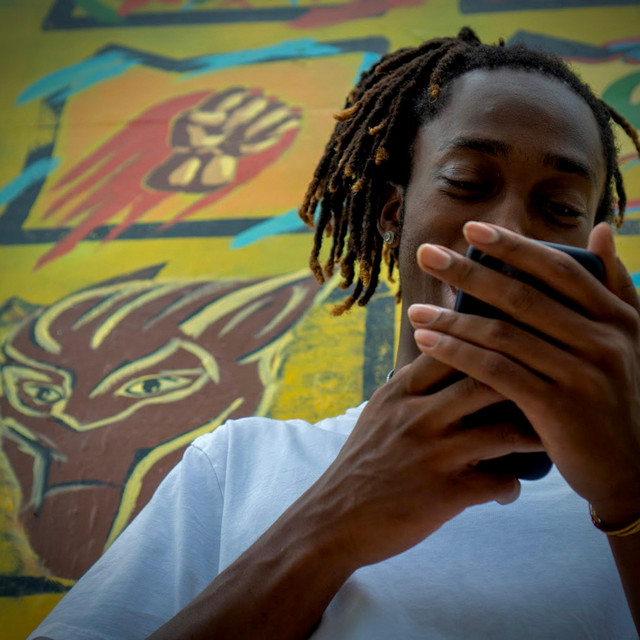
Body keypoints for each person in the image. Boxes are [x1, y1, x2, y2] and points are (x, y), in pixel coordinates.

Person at [30, 28, 640, 639]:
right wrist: (330, 523)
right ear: (395, 213)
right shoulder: (241, 464)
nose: (507, 231)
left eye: (561, 208)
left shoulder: (628, 475)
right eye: (465, 183)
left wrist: (628, 495)